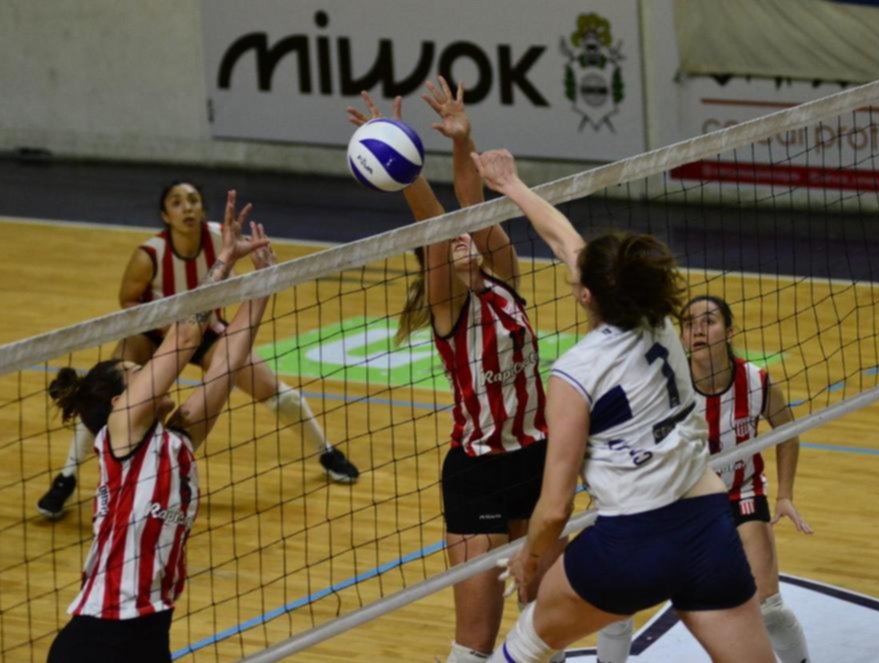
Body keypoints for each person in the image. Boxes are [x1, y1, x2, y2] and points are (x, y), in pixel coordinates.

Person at [470, 149, 774, 663]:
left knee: (529, 643)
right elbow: (568, 243)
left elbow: (555, 508)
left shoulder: (577, 371)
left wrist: (529, 561)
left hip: (630, 545)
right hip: (707, 531)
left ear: (587, 296)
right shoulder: (662, 321)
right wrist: (512, 185)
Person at [347, 81, 563, 663]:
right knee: (476, 640)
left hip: (538, 460)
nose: (464, 242)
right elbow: (442, 225)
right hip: (478, 474)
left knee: (546, 622)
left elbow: (475, 210)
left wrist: (464, 139)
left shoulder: (504, 279)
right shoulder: (447, 307)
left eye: (471, 240)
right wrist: (405, 165)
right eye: (451, 245)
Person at [38, 181, 358, 519]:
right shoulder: (150, 255)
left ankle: (325, 451)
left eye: (193, 200)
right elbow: (129, 301)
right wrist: (167, 327)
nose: (186, 207)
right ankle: (67, 477)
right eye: (176, 202)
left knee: (275, 390)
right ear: (165, 215)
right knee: (102, 395)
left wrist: (256, 282)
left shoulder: (223, 238)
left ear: (202, 209)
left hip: (206, 333)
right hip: (153, 334)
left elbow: (215, 344)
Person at [46, 191, 273, 662]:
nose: (148, 371)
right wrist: (223, 263)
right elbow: (186, 334)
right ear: (117, 400)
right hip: (100, 636)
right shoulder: (121, 430)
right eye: (136, 373)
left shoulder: (175, 439)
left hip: (150, 629)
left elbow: (224, 366)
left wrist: (264, 284)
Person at [678, 294, 813, 662]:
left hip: (743, 494)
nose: (698, 329)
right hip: (685, 504)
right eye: (689, 323)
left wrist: (784, 495)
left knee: (768, 608)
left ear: (730, 330)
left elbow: (788, 433)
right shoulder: (671, 388)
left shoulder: (756, 381)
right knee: (623, 601)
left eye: (709, 321)